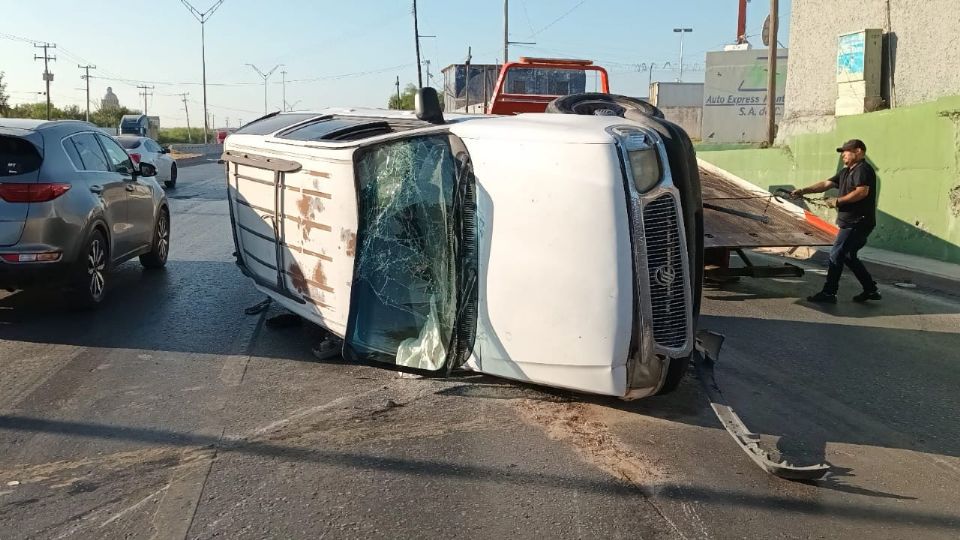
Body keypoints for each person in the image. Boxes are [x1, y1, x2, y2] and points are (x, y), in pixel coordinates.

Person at [791, 139, 881, 304]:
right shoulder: (846, 171)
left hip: (858, 221)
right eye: (842, 152)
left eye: (846, 152)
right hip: (851, 221)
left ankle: (829, 293)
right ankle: (870, 289)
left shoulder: (863, 169)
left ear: (858, 151)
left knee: (836, 254)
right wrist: (804, 190)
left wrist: (838, 201)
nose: (843, 155)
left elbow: (862, 192)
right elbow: (826, 184)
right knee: (848, 256)